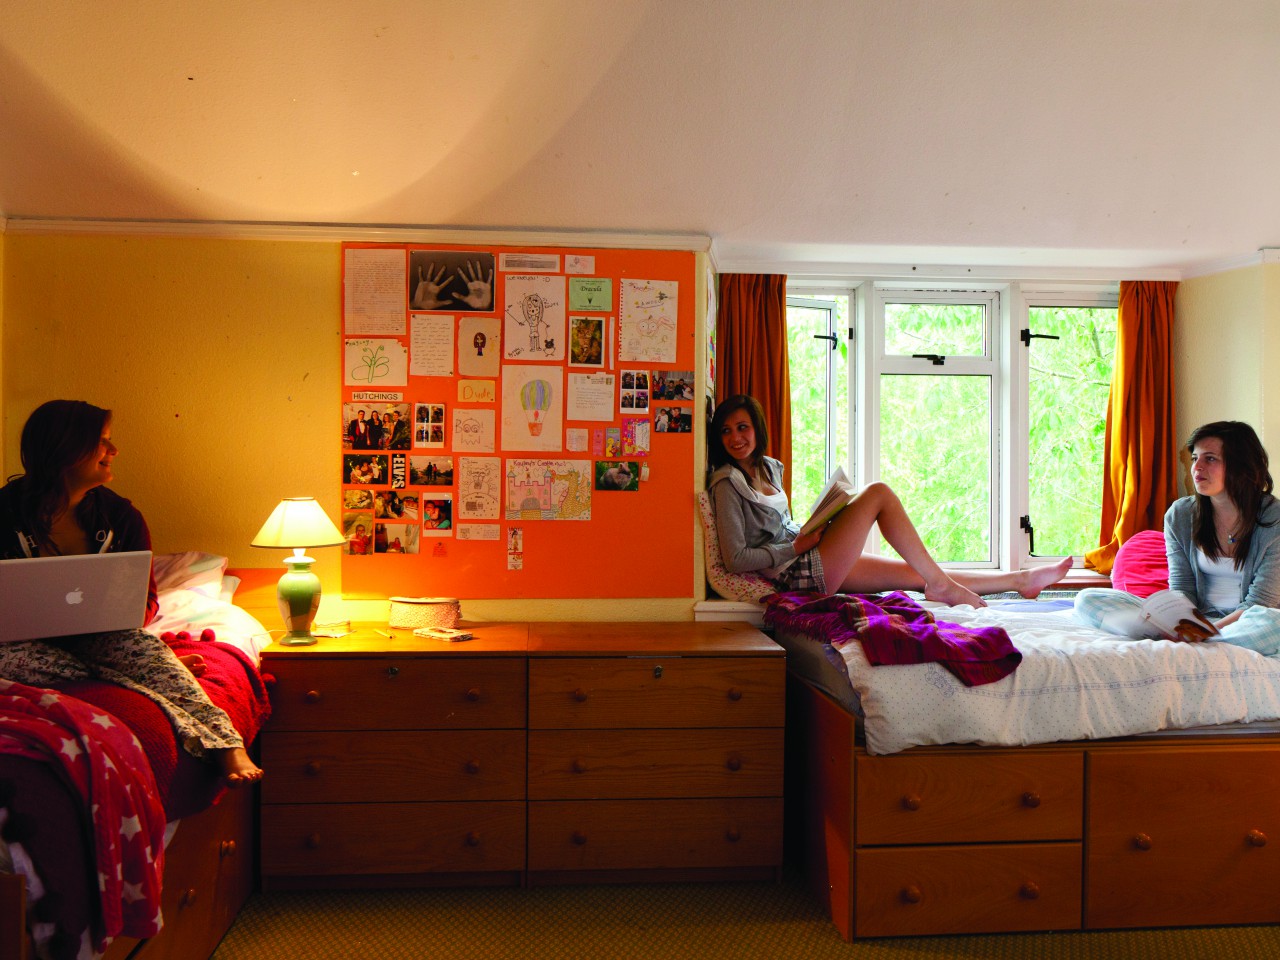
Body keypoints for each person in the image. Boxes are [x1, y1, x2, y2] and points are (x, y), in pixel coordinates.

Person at [0, 400, 263, 786]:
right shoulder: (4, 513)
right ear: (66, 448)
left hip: (105, 635)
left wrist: (126, 616)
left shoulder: (121, 518)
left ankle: (226, 745)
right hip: (22, 642)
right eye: (102, 441)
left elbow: (147, 599)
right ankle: (131, 674)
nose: (114, 450)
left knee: (144, 651)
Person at [708, 395, 1070, 605]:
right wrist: (795, 547)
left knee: (917, 573)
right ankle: (944, 586)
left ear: (757, 428)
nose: (735, 438)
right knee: (878, 492)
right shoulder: (726, 484)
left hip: (805, 553)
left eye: (742, 427)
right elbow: (735, 559)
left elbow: (778, 526)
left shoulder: (770, 468)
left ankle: (1020, 580)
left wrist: (813, 527)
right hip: (794, 574)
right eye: (726, 431)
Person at [1075, 421, 1280, 654]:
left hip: (1248, 622)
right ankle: (1196, 644)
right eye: (1194, 458)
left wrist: (1208, 632)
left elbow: (1261, 602)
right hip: (1199, 620)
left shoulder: (1275, 518)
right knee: (1087, 598)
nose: (1196, 468)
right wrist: (1181, 625)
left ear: (1241, 466)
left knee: (1273, 622)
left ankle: (1201, 644)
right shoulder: (1181, 514)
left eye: (1210, 459)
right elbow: (1182, 589)